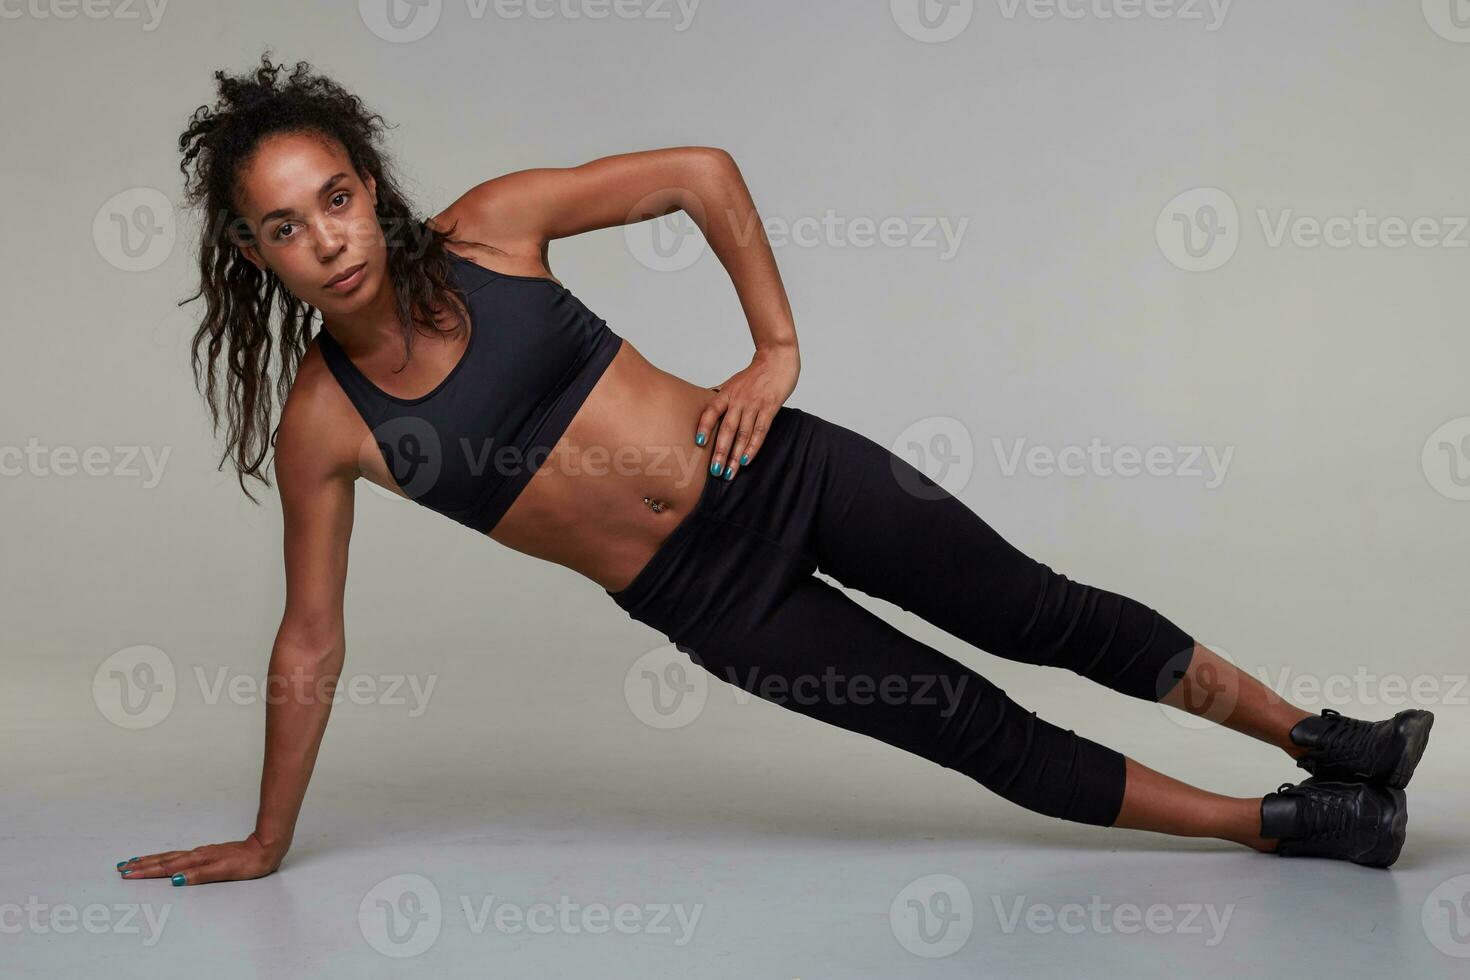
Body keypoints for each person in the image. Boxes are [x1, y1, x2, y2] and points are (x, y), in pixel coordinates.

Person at [117, 54, 1433, 887]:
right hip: (714, 605)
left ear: (368, 182)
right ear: (255, 254)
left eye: (336, 196)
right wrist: (268, 837)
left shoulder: (491, 231)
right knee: (975, 730)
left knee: (1045, 612)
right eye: (285, 227)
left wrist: (773, 350)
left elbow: (701, 172)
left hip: (780, 473)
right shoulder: (324, 423)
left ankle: (1322, 737)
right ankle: (1279, 822)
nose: (327, 240)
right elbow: (308, 637)